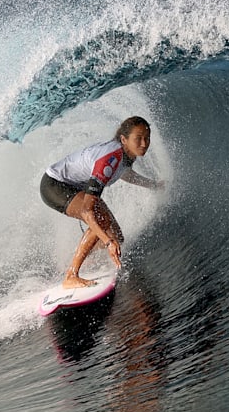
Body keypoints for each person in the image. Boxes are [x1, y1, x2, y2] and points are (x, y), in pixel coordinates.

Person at [40, 116, 163, 288]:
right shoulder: (109, 159)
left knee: (117, 236)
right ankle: (71, 275)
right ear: (124, 139)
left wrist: (153, 185)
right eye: (138, 138)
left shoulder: (126, 154)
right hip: (55, 185)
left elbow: (124, 173)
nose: (144, 144)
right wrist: (107, 242)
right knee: (102, 221)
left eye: (147, 138)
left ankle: (83, 260)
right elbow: (87, 211)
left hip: (74, 187)